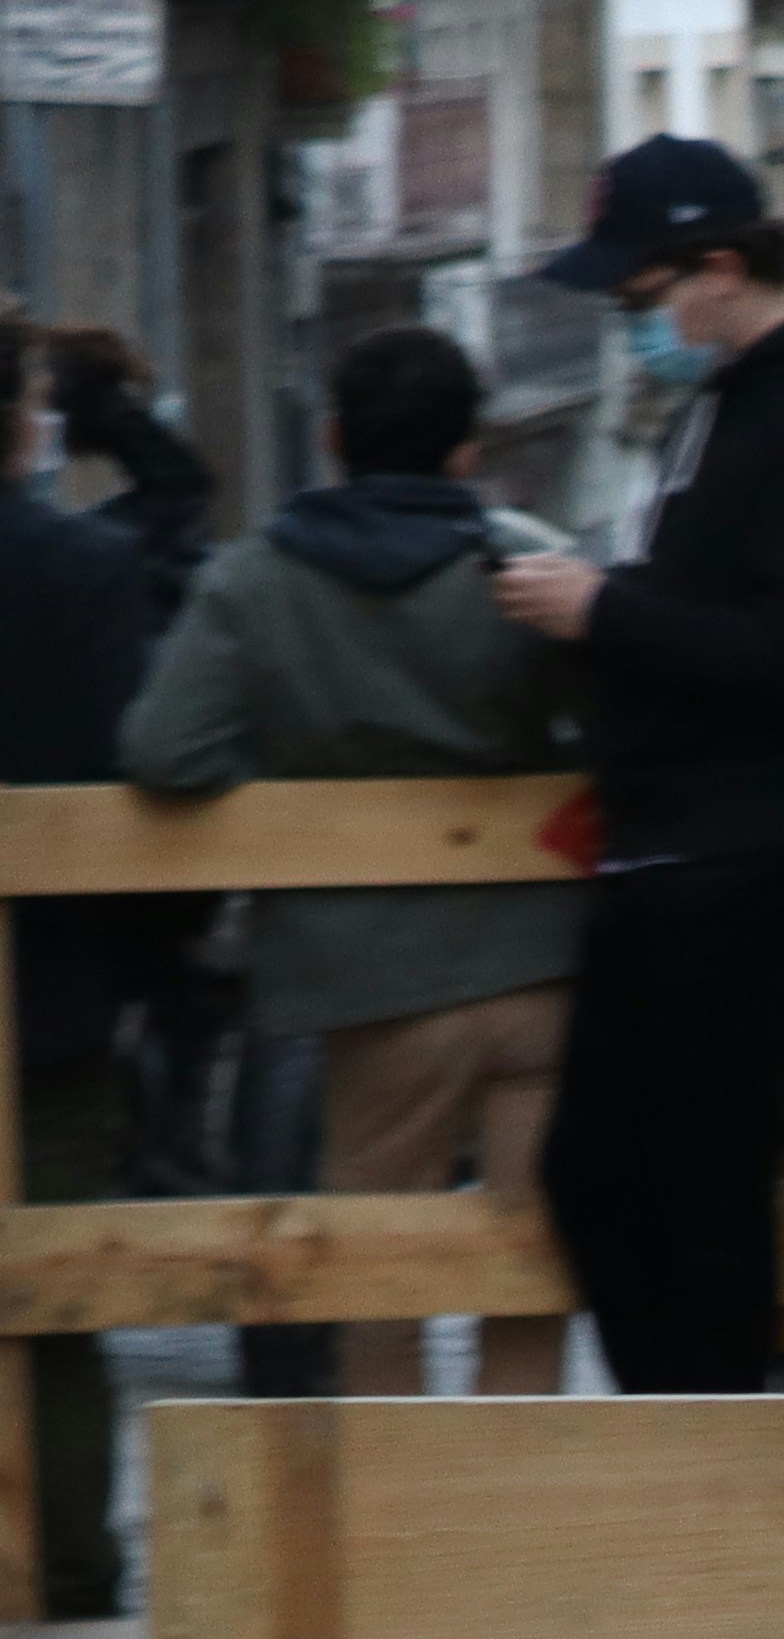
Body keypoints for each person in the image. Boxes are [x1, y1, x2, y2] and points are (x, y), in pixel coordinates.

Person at [488, 134, 784, 1396]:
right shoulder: (731, 399)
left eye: (642, 298)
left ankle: (719, 1454)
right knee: (608, 1174)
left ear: (721, 268)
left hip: (753, 858)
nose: (635, 327)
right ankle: (689, 1432)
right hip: (679, 851)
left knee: (702, 1186)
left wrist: (604, 615)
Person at [118, 324, 592, 1401]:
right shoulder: (525, 563)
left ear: (331, 438)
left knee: (381, 1263)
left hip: (367, 975)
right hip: (540, 965)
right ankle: (513, 1510)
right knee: (531, 1256)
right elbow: (614, 723)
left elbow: (165, 749)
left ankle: (399, 1523)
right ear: (467, 450)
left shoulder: (255, 581)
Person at [0, 309, 210, 1612]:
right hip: (55, 987)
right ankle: (68, 1561)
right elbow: (134, 774)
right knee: (60, 1300)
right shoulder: (82, 572)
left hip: (62, 980)